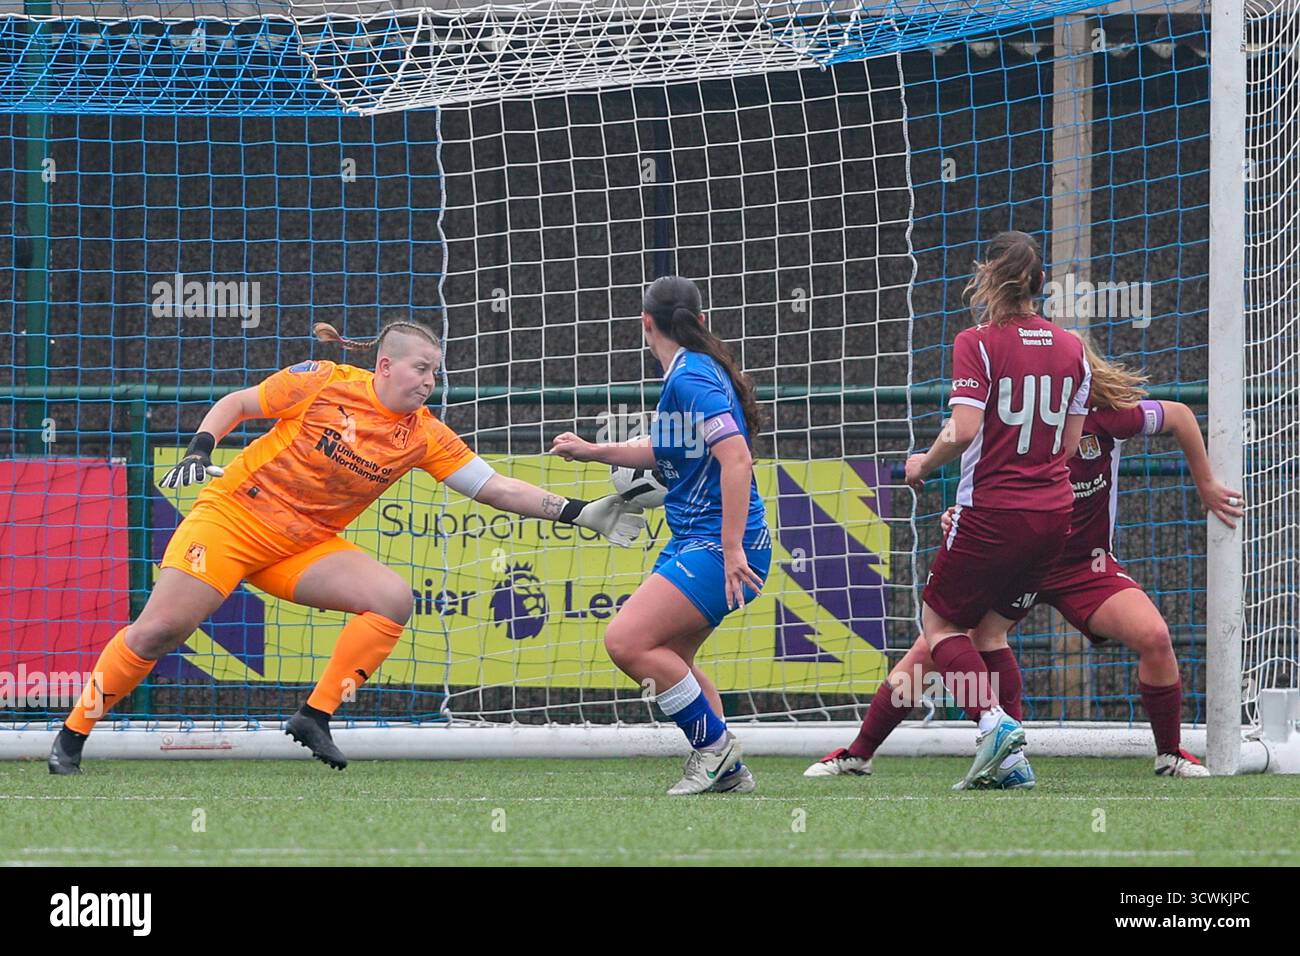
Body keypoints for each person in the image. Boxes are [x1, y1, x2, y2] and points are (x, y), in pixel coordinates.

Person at [48, 320, 646, 774]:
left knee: (391, 598)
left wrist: (580, 513)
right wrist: (202, 448)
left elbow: (493, 487)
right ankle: (73, 734)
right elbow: (239, 403)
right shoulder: (324, 380)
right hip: (231, 520)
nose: (430, 382)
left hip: (303, 546)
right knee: (159, 633)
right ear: (385, 366)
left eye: (436, 373)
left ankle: (314, 716)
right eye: (422, 370)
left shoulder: (425, 435)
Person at [807, 335, 1243, 784]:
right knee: (933, 651)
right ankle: (860, 753)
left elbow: (1181, 416)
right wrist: (960, 516)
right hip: (1014, 555)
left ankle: (1169, 753)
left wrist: (1206, 484)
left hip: (1083, 567)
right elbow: (977, 467)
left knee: (1154, 636)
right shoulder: (1006, 416)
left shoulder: (1106, 416)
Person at [551, 276, 770, 795]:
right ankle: (726, 770)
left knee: (625, 640)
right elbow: (663, 453)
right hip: (702, 540)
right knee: (677, 662)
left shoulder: (690, 377)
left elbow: (737, 458)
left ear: (645, 323)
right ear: (700, 321)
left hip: (719, 546)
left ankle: (715, 752)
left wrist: (733, 546)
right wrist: (593, 450)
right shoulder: (689, 373)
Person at [899, 231, 1091, 790]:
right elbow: (1072, 447)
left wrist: (923, 466)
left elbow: (962, 431)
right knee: (991, 634)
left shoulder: (976, 341)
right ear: (1039, 284)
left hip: (993, 510)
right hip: (1055, 514)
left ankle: (992, 723)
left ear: (989, 276)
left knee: (938, 623)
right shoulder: (1074, 348)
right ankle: (1012, 763)